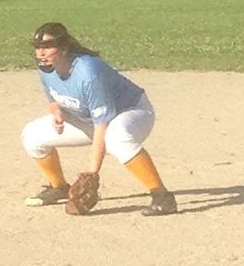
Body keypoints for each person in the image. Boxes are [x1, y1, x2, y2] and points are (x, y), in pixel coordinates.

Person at [21, 22, 177, 216]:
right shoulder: (48, 68)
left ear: (64, 47)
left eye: (47, 47)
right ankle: (59, 187)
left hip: (132, 113)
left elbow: (101, 126)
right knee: (32, 135)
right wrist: (56, 110)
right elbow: (53, 99)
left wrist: (92, 175)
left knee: (116, 139)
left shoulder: (88, 72)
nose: (41, 54)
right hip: (89, 119)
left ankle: (162, 196)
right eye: (38, 48)